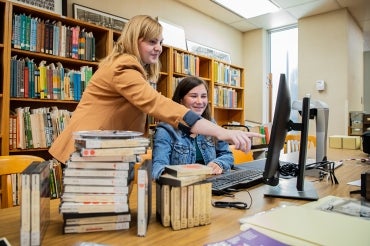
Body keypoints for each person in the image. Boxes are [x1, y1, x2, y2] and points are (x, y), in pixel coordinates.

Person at [49, 15, 261, 164]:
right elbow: (157, 104)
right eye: (152, 41)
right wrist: (222, 133)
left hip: (101, 151)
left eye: (160, 42)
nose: (159, 48)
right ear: (134, 40)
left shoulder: (128, 67)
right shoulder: (124, 66)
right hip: (88, 151)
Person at [152, 76, 236, 180]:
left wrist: (219, 163)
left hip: (212, 187)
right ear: (181, 100)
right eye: (193, 96)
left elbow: (227, 155)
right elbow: (158, 168)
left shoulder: (211, 124)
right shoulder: (165, 130)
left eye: (203, 96)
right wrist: (182, 175)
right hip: (183, 190)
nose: (200, 101)